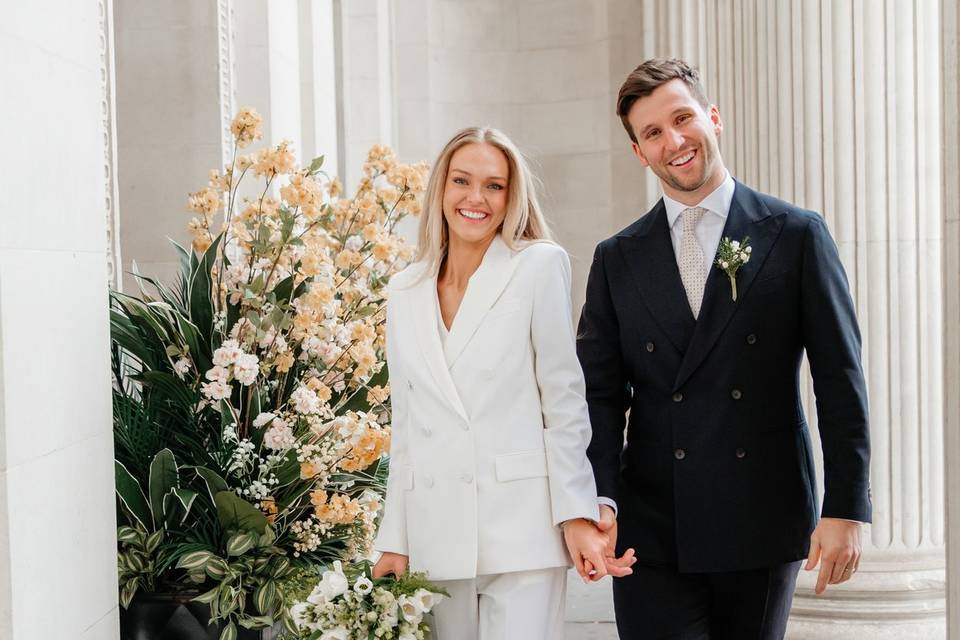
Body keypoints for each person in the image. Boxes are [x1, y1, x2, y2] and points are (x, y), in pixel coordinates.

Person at [577, 58, 872, 639]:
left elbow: (840, 378)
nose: (674, 141)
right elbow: (599, 398)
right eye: (653, 133)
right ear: (639, 152)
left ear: (713, 118)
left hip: (762, 512)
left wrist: (845, 506)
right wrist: (597, 503)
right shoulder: (616, 258)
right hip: (651, 526)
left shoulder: (795, 234)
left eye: (682, 119)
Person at [372, 126, 635, 640]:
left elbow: (563, 403)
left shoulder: (537, 265)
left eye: (494, 186)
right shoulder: (403, 289)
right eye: (462, 181)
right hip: (434, 532)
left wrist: (577, 514)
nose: (476, 198)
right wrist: (394, 539)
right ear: (440, 188)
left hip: (523, 532)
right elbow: (405, 426)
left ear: (512, 197)